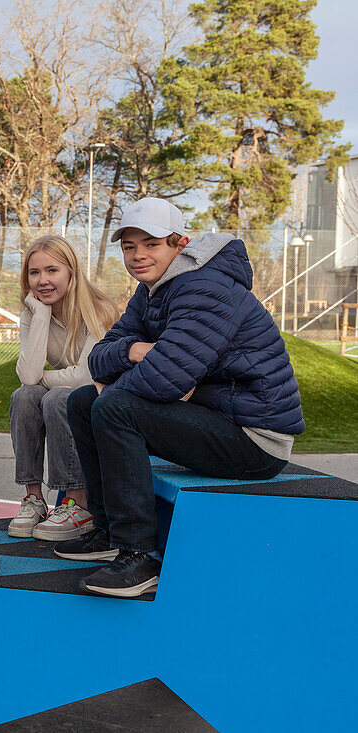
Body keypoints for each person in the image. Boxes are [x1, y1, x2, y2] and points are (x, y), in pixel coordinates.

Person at [54, 197, 304, 598]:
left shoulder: (206, 287)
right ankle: (107, 531)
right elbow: (98, 357)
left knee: (113, 406)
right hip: (218, 419)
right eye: (129, 246)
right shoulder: (152, 289)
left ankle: (140, 556)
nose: (138, 255)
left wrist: (116, 381)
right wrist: (132, 351)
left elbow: (166, 379)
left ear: (179, 244)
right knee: (85, 400)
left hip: (255, 440)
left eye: (151, 244)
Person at [7, 235, 119, 541]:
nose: (42, 280)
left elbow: (87, 376)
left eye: (52, 270)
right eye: (34, 273)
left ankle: (77, 503)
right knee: (25, 396)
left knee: (57, 398)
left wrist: (46, 379)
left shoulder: (99, 309)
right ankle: (34, 499)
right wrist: (41, 314)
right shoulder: (33, 312)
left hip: (104, 399)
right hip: (67, 392)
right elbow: (28, 379)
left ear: (71, 271)